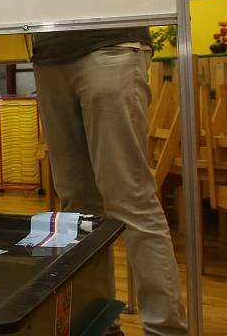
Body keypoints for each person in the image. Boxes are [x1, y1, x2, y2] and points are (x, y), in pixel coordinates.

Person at [32, 28, 188, 336]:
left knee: (130, 200)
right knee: (78, 211)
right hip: (49, 52)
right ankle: (101, 323)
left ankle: (165, 330)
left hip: (112, 42)